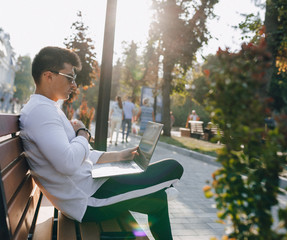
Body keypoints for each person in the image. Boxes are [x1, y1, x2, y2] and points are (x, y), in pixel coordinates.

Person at [19, 46, 183, 240]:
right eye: (70, 78)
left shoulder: (48, 108)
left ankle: (163, 189)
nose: (74, 85)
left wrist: (120, 156)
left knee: (158, 200)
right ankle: (166, 187)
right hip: (88, 200)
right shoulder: (41, 112)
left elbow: (82, 155)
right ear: (48, 76)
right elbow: (68, 162)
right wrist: (82, 133)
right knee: (173, 167)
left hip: (90, 187)